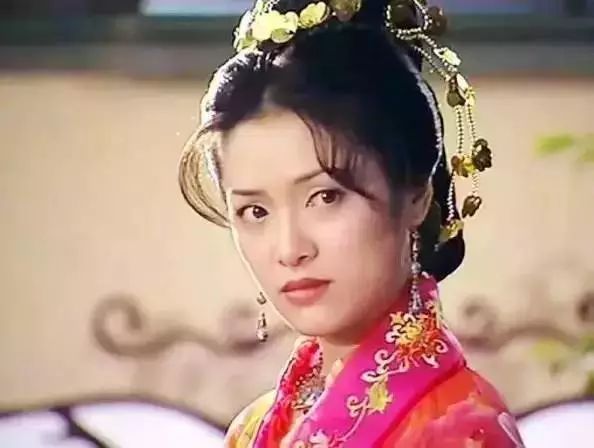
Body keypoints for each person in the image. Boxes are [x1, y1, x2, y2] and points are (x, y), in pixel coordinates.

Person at [178, 0, 524, 446]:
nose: (290, 249)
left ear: (415, 196)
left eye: (326, 196)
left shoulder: (460, 426)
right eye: (255, 211)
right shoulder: (252, 429)